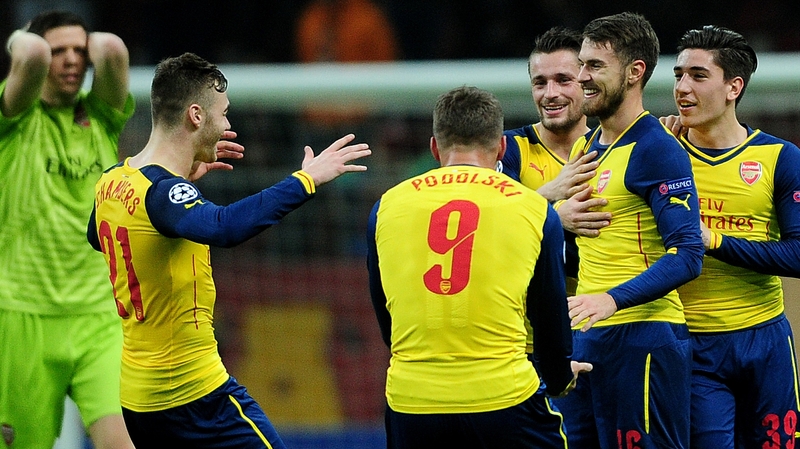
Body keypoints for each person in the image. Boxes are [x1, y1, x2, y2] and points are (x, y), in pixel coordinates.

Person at [86, 52, 371, 447]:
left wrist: (181, 190)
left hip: (139, 400)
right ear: (197, 116)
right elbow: (225, 227)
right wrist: (306, 179)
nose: (227, 125)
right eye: (224, 113)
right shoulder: (163, 193)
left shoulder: (113, 180)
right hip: (193, 395)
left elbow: (95, 234)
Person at [366, 85, 592, 448]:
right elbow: (548, 316)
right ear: (501, 147)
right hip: (504, 398)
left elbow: (385, 315)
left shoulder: (387, 206)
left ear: (435, 148)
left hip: (412, 401)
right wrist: (560, 376)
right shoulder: (533, 210)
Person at [553, 12, 705, 449]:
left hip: (644, 337)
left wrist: (611, 299)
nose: (581, 77)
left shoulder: (657, 148)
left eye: (595, 66)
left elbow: (688, 254)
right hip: (588, 337)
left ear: (635, 72)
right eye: (582, 64)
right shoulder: (587, 146)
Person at [0, 10, 136, 449]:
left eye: (80, 50)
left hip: (100, 316)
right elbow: (31, 54)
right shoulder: (15, 118)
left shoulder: (101, 117)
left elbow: (112, 49)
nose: (72, 60)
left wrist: (86, 43)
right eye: (60, 51)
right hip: (23, 316)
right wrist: (24, 42)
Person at [666, 25, 800, 448]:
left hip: (767, 341)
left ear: (733, 87)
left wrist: (715, 241)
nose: (682, 88)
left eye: (698, 76)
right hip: (695, 344)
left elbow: (798, 256)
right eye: (678, 75)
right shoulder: (662, 154)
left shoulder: (779, 157)